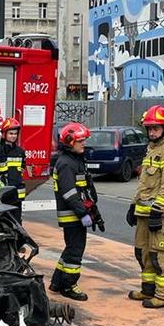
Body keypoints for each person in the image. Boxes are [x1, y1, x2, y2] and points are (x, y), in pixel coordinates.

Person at [126, 105, 164, 309]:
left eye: (155, 128)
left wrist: (158, 210)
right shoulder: (151, 148)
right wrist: (133, 206)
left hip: (160, 214)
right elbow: (144, 183)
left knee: (159, 255)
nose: (151, 132)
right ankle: (148, 290)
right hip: (143, 212)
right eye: (149, 129)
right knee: (143, 253)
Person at [49, 122, 104, 301]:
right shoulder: (66, 163)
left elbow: (84, 191)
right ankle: (69, 285)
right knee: (75, 250)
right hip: (72, 215)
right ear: (70, 142)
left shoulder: (75, 160)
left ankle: (57, 282)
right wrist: (83, 214)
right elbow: (70, 194)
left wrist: (94, 213)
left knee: (71, 248)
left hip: (76, 213)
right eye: (80, 141)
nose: (84, 143)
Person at [0, 117, 27, 222]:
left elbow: (21, 170)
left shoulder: (20, 152)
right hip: (2, 195)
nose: (13, 136)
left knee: (16, 222)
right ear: (4, 134)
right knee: (2, 222)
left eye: (15, 134)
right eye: (11, 133)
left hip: (16, 195)